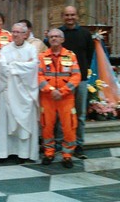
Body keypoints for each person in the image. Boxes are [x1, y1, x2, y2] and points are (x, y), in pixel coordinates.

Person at [0, 23, 39, 163]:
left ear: (25, 34)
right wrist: (21, 65)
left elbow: (33, 67)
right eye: (13, 32)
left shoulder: (31, 49)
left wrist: (13, 65)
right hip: (8, 92)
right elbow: (2, 65)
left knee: (23, 125)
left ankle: (23, 153)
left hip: (25, 93)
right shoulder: (5, 49)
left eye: (18, 32)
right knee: (6, 121)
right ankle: (4, 152)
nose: (15, 34)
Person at [39, 28, 81, 168]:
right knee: (47, 126)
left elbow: (76, 76)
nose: (54, 39)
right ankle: (49, 152)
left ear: (62, 39)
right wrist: (50, 90)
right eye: (51, 37)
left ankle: (67, 155)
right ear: (48, 39)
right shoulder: (42, 56)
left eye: (57, 36)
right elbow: (39, 77)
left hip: (66, 98)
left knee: (69, 126)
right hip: (48, 98)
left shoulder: (70, 56)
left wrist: (62, 91)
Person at [58, 6, 94, 159]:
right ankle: (60, 143)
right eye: (67, 15)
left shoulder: (85, 34)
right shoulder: (58, 34)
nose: (70, 18)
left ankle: (79, 145)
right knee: (61, 113)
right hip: (62, 80)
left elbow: (90, 54)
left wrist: (82, 71)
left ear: (77, 16)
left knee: (80, 114)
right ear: (63, 17)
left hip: (81, 80)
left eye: (72, 15)